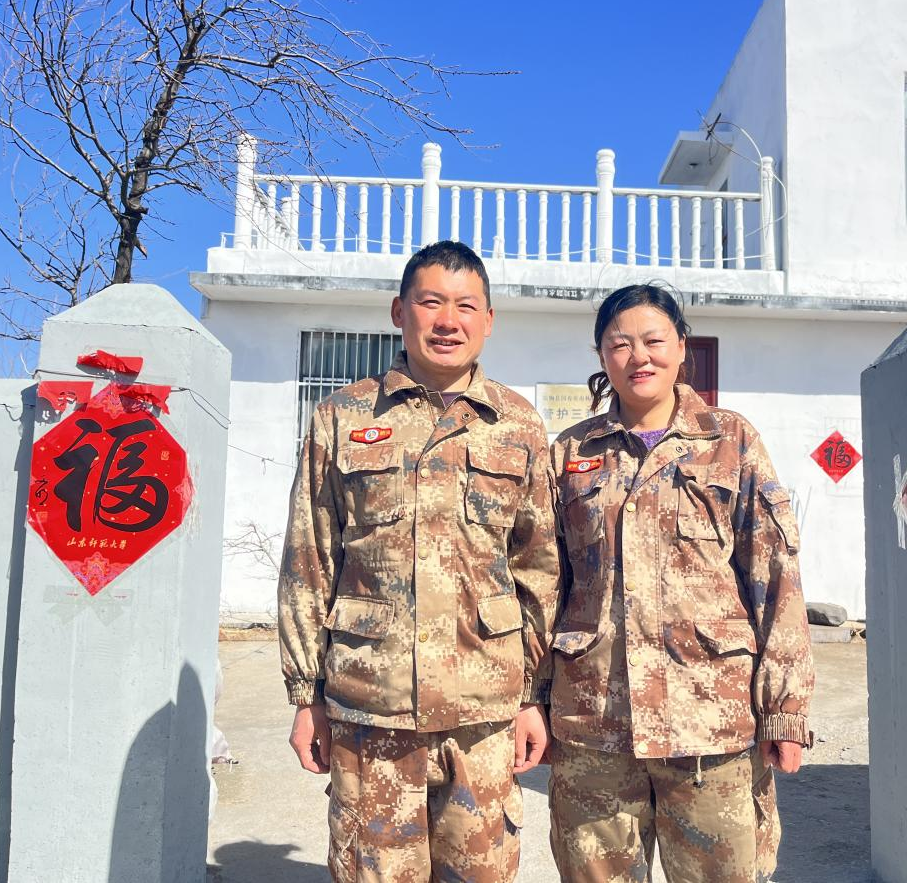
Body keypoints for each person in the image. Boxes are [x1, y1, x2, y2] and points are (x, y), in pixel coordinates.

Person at [277, 241, 560, 883]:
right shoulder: (342, 417)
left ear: (489, 320)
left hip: (483, 714)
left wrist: (532, 696)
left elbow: (539, 570)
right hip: (369, 708)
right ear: (399, 312)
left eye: (466, 306)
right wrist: (306, 694)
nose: (448, 321)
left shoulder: (518, 425)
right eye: (431, 303)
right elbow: (309, 560)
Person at [548, 283, 814, 882]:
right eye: (620, 344)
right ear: (600, 354)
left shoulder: (730, 440)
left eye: (654, 340)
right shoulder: (570, 452)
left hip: (709, 722)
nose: (638, 357)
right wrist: (531, 701)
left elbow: (776, 575)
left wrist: (785, 709)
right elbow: (545, 584)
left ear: (682, 347)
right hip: (595, 725)